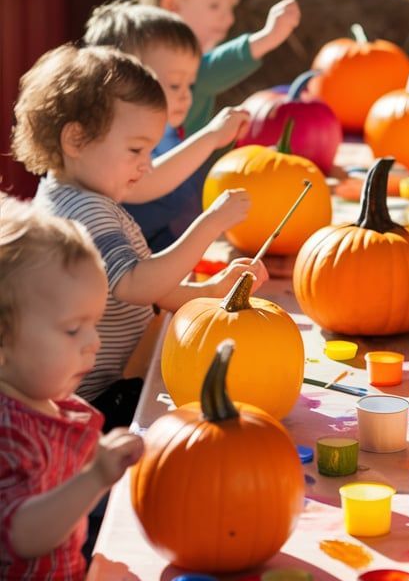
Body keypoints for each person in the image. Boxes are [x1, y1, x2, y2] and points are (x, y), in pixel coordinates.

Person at [12, 44, 260, 428]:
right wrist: (210, 224)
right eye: (136, 150)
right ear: (76, 140)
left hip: (107, 383)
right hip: (98, 401)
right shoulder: (87, 212)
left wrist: (209, 291)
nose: (147, 165)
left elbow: (151, 288)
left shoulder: (68, 193)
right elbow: (135, 284)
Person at [0, 198, 143, 581]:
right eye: (72, 329)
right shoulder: (5, 429)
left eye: (95, 324)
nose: (93, 344)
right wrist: (94, 478)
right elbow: (21, 533)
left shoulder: (46, 401)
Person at [83, 1, 255, 251]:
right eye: (175, 85)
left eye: (190, 84)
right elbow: (143, 184)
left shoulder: (169, 131)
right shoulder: (113, 142)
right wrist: (210, 138)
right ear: (120, 86)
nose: (187, 96)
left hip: (166, 252)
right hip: (124, 266)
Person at [129, 0, 301, 137]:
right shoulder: (159, 65)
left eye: (232, 6)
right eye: (215, 5)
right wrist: (268, 37)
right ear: (173, 6)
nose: (228, 18)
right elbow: (207, 72)